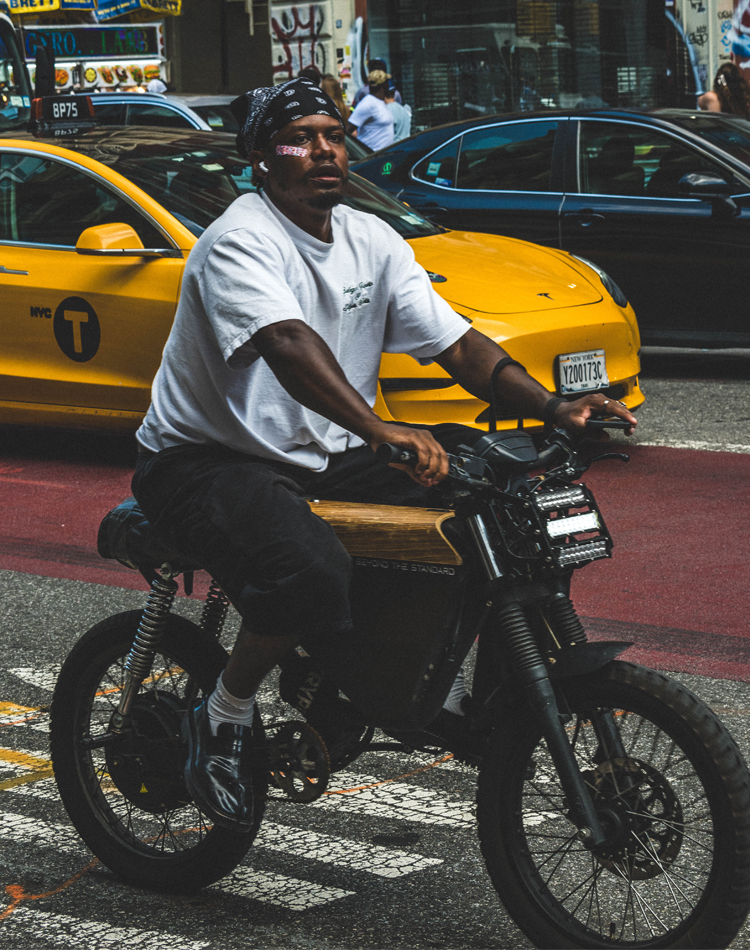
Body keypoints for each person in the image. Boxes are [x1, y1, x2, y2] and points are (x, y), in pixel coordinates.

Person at [131, 76, 636, 832]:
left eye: (333, 135)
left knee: (504, 501)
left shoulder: (371, 237)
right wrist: (380, 430)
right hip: (207, 460)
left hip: (323, 452)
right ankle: (225, 713)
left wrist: (555, 407)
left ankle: (486, 693)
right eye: (299, 139)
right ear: (262, 160)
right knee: (310, 568)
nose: (323, 151)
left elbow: (458, 344)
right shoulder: (239, 240)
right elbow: (286, 344)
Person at [346, 69, 394, 151]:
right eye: (387, 83)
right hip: (372, 157)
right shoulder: (368, 103)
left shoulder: (379, 102)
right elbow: (347, 131)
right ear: (384, 86)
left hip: (383, 157)